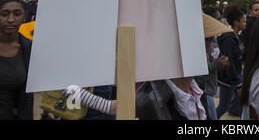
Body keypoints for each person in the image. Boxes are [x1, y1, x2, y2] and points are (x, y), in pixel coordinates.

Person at [63, 12, 232, 120]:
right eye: (204, 41)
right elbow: (63, 86)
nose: (209, 48)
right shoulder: (147, 101)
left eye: (210, 41)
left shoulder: (198, 92)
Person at [0, 0, 33, 120]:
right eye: (4, 14)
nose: (11, 19)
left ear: (24, 17)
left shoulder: (29, 50)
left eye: (17, 14)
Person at [196, 6, 230, 120]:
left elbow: (215, 57)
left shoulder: (214, 39)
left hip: (212, 88)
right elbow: (197, 69)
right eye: (217, 19)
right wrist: (215, 65)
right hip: (203, 91)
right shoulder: (199, 42)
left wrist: (223, 61)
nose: (219, 22)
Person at [216, 5, 246, 118]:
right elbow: (229, 61)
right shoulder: (228, 38)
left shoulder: (236, 36)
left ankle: (236, 111)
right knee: (223, 105)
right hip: (228, 78)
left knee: (232, 102)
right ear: (236, 22)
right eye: (243, 21)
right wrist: (236, 82)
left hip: (235, 75)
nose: (245, 23)